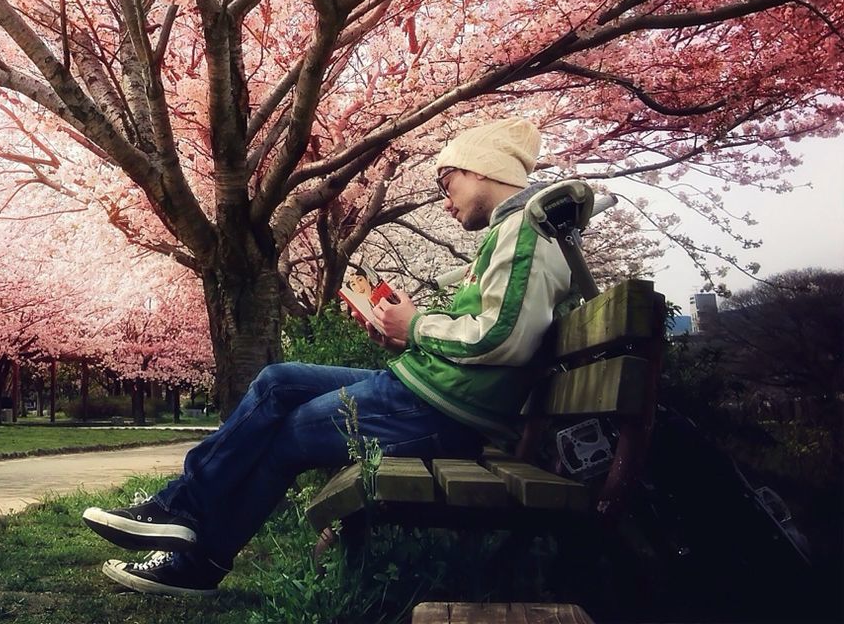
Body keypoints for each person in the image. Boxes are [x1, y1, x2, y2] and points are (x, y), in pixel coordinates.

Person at [82, 118, 574, 597]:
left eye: (448, 183)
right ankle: (182, 511)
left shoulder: (525, 232)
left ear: (480, 170)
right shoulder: (515, 231)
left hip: (446, 409)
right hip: (432, 391)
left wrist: (418, 326)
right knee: (277, 381)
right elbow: (494, 332)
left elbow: (504, 337)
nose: (445, 202)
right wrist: (403, 336)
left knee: (288, 436)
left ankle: (192, 544)